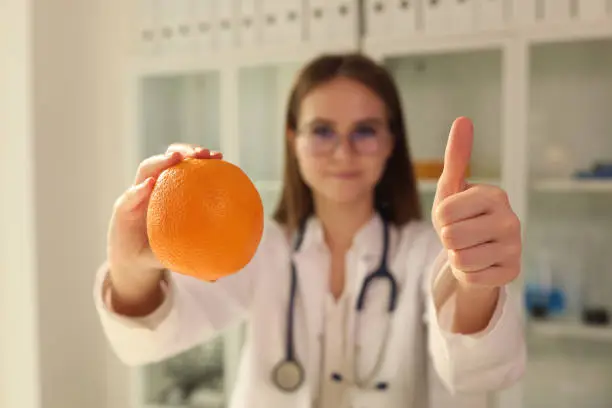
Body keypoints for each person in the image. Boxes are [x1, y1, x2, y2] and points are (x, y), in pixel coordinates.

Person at [94, 53, 526, 408]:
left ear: (391, 143)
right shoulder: (259, 248)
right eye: (322, 131)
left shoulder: (424, 251)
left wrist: (472, 282)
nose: (343, 151)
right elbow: (146, 344)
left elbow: (480, 372)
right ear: (293, 140)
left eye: (365, 131)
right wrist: (131, 267)